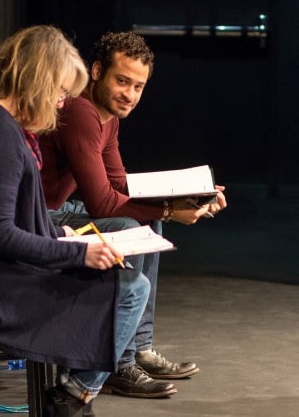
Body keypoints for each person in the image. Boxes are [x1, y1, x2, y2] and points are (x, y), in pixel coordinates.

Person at [0, 25, 152, 417]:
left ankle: (74, 392)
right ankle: (72, 398)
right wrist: (77, 255)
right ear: (36, 80)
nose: (63, 103)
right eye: (61, 91)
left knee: (124, 278)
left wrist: (61, 235)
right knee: (130, 287)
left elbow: (9, 219)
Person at [40, 30, 227, 398]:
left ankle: (137, 347)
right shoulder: (80, 111)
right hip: (41, 218)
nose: (130, 94)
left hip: (60, 210)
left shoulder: (107, 116)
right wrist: (172, 211)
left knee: (147, 218)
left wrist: (193, 196)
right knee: (131, 222)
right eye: (121, 81)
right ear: (96, 71)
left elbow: (120, 184)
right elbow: (102, 205)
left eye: (138, 87)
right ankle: (119, 364)